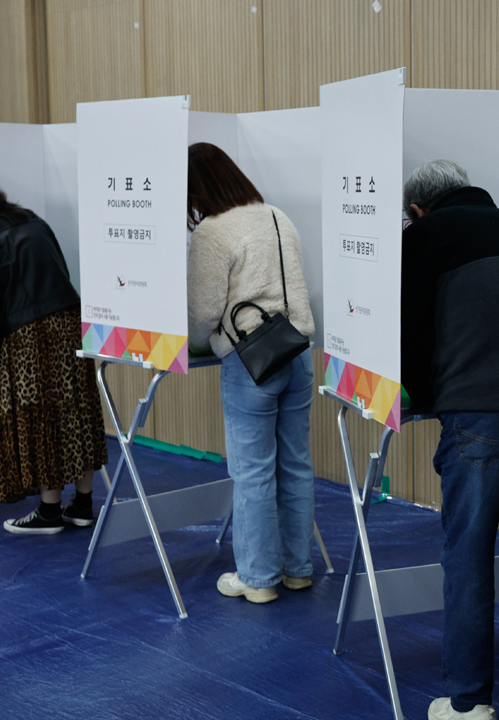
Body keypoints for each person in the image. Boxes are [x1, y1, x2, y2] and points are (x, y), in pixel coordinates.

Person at [402, 160, 499, 720]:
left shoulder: (423, 235)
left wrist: (427, 396)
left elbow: (412, 332)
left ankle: (469, 703)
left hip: (473, 410)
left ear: (418, 208)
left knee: (469, 556)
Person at [186, 142, 316, 605]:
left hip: (252, 361)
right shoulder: (277, 216)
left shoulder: (213, 231)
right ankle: (298, 570)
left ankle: (258, 578)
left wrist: (198, 338)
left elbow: (203, 312)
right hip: (298, 351)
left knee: (252, 471)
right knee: (296, 464)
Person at [0, 171, 108, 534]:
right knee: (78, 409)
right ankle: (84, 505)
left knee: (38, 415)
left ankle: (49, 511)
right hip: (71, 320)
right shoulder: (31, 219)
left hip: (28, 330)